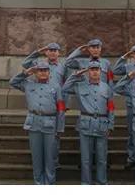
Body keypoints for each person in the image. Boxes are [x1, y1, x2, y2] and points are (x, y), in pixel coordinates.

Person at [9, 60, 65, 184]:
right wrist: (25, 73)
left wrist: (60, 128)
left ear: (49, 72)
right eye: (40, 70)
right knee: (36, 156)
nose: (43, 73)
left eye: (45, 70)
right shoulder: (28, 84)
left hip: (50, 123)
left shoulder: (56, 87)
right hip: (34, 123)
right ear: (35, 72)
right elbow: (12, 82)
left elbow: (60, 108)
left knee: (50, 156)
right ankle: (38, 182)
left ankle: (49, 182)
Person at [62, 62, 115, 185]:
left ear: (100, 71)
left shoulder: (106, 88)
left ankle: (102, 182)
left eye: (97, 69)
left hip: (102, 124)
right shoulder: (80, 86)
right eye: (92, 69)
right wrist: (75, 75)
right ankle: (86, 183)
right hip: (86, 124)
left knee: (102, 158)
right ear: (88, 72)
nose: (94, 72)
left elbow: (111, 107)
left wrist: (111, 124)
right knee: (86, 159)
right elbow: (64, 88)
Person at [20, 43, 66, 171]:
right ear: (46, 52)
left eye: (55, 50)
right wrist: (38, 51)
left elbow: (66, 86)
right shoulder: (39, 64)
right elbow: (25, 63)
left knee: (55, 140)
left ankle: (53, 165)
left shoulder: (63, 67)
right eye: (50, 50)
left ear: (59, 53)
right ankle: (42, 171)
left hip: (55, 105)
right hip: (39, 105)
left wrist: (63, 105)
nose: (52, 52)